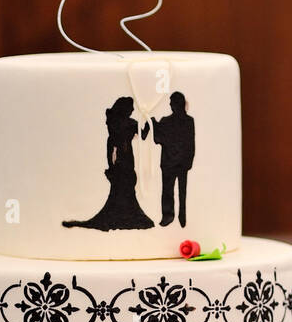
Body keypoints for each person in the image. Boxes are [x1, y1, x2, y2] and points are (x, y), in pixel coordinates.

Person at [62, 96, 154, 231]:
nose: (133, 109)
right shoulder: (120, 123)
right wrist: (112, 164)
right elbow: (114, 144)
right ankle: (121, 216)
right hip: (122, 158)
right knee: (122, 186)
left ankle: (125, 214)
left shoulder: (122, 122)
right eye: (131, 107)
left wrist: (147, 120)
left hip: (126, 158)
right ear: (125, 108)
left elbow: (143, 134)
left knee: (126, 186)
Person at [150, 91, 195, 227]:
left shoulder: (166, 121)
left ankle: (169, 217)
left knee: (168, 191)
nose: (169, 105)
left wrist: (154, 124)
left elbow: (158, 139)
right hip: (180, 163)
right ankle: (181, 217)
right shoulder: (188, 121)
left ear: (176, 104)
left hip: (171, 163)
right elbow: (190, 143)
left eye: (171, 103)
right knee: (181, 192)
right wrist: (188, 162)